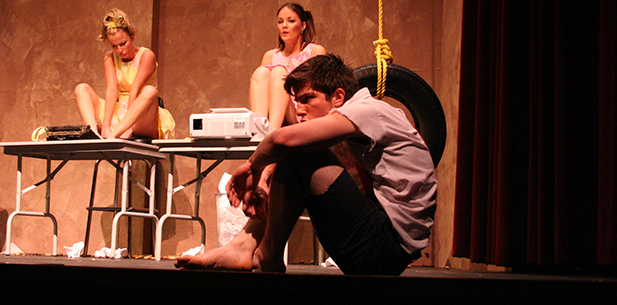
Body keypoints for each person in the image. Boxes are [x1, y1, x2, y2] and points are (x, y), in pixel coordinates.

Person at [176, 54, 436, 275]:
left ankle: (265, 254)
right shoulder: (355, 126)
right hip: (375, 245)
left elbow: (280, 141)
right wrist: (266, 179)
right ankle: (243, 247)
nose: (299, 109)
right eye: (296, 101)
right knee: (297, 150)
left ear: (338, 96)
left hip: (383, 248)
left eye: (307, 99)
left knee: (296, 149)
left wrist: (251, 168)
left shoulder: (368, 111)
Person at [75, 8, 175, 140]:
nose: (119, 50)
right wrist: (105, 125)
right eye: (114, 46)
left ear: (132, 37)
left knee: (150, 91)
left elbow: (135, 89)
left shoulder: (146, 55)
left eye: (123, 44)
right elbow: (112, 90)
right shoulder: (109, 57)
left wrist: (127, 126)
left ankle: (114, 136)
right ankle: (93, 133)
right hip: (117, 110)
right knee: (81, 88)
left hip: (141, 112)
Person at [249, 3, 326, 130]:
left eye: (291, 21)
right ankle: (258, 130)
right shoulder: (270, 55)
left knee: (279, 72)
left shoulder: (315, 51)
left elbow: (319, 90)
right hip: (276, 113)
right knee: (261, 72)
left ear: (303, 25)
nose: (284, 26)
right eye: (280, 22)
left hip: (301, 110)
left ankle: (271, 132)